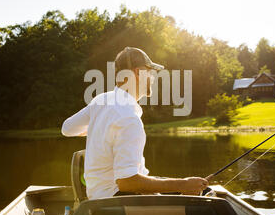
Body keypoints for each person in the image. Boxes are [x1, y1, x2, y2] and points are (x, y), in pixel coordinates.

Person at [61, 47, 209, 199]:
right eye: (150, 72)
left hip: (98, 199)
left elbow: (67, 128)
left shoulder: (101, 100)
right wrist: (181, 185)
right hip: (118, 204)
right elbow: (127, 182)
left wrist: (97, 129)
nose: (153, 78)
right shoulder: (128, 119)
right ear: (138, 73)